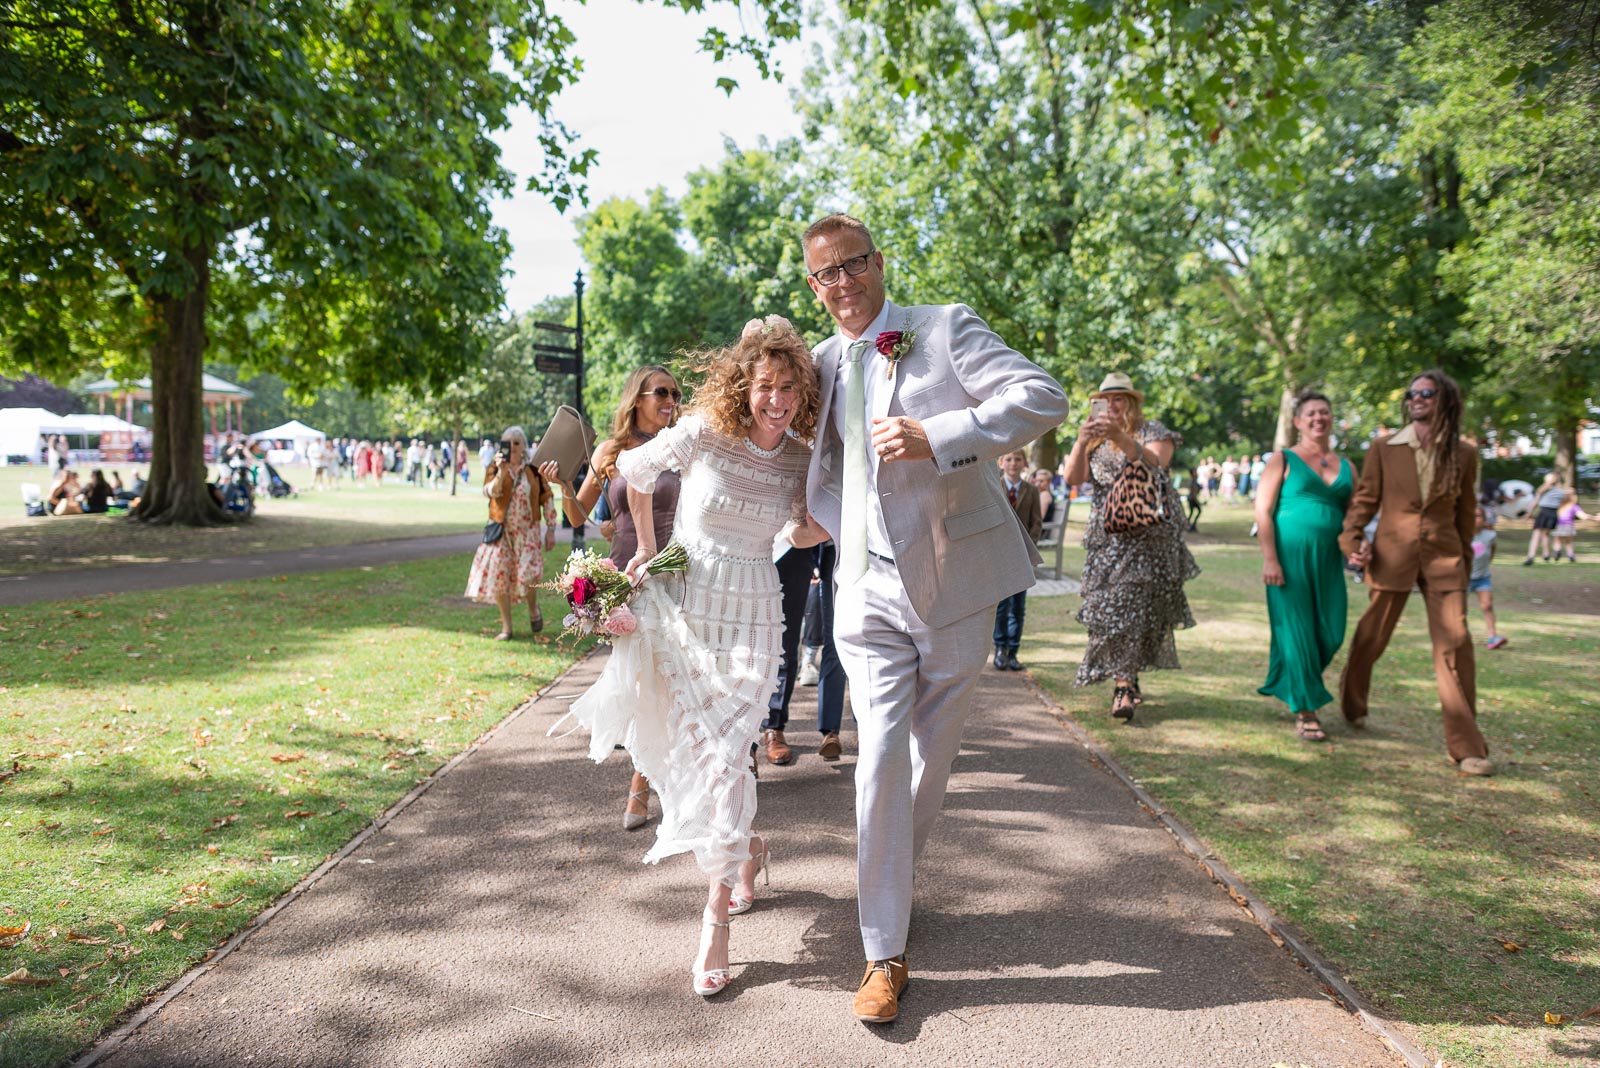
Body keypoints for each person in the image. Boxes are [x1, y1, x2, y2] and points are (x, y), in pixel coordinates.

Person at [800, 213, 1068, 1024]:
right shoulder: (817, 365)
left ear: (878, 264)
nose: (842, 284)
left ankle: (895, 881)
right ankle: (885, 949)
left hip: (953, 583)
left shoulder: (941, 330)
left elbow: (1042, 396)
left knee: (930, 762)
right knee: (878, 754)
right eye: (825, 275)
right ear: (812, 288)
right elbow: (768, 435)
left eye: (853, 266)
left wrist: (941, 434)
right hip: (863, 589)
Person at [560, 316, 826, 998]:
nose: (777, 401)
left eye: (789, 387)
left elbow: (798, 529)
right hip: (690, 602)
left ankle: (715, 918)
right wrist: (648, 547)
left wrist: (842, 517)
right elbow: (633, 470)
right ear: (745, 386)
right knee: (707, 752)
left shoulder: (800, 455)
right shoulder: (706, 431)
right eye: (766, 386)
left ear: (803, 390)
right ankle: (749, 850)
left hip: (756, 609)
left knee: (732, 746)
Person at [543, 364, 683, 832]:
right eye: (662, 392)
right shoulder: (610, 450)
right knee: (643, 682)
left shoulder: (681, 447)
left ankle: (665, 779)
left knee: (673, 679)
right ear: (637, 397)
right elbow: (580, 512)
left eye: (676, 394)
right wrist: (563, 485)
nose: (671, 401)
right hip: (627, 578)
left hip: (677, 576)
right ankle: (644, 782)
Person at [1340, 369, 1492, 775]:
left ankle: (1466, 747)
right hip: (1393, 555)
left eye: (1427, 392)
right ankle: (1352, 703)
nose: (1418, 398)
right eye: (1413, 393)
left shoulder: (1464, 452)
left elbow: (1464, 513)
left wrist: (1464, 561)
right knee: (1373, 635)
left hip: (1445, 559)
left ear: (1446, 400)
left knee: (1455, 643)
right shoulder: (1384, 447)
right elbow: (1365, 500)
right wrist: (1352, 540)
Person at [1064, 372, 1198, 720]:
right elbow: (1073, 480)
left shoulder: (1152, 431)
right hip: (1106, 537)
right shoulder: (1094, 437)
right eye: (1106, 400)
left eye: (1119, 398)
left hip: (1148, 537)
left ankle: (1123, 684)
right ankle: (1127, 678)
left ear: (1133, 402)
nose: (1112, 405)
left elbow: (1157, 465)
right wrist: (1081, 442)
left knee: (1136, 607)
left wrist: (1120, 438)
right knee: (1112, 608)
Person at [1253, 392, 1354, 742]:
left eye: (1324, 412)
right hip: (1288, 558)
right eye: (1310, 413)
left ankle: (1295, 681)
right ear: (1297, 421)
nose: (1318, 418)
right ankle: (1306, 710)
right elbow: (1263, 510)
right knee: (1297, 631)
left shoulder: (1347, 465)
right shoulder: (1282, 460)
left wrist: (1360, 547)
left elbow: (1357, 515)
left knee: (1331, 630)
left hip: (1328, 561)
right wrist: (1270, 558)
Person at [464, 427, 556, 640]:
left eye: (516, 442)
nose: (513, 447)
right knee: (499, 576)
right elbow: (490, 492)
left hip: (528, 531)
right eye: (508, 443)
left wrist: (550, 528)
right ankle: (506, 627)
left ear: (523, 445)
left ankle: (533, 608)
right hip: (501, 531)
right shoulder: (495, 468)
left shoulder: (533, 470)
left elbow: (547, 497)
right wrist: (502, 471)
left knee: (528, 575)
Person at [993, 450, 1044, 670]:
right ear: (1001, 462)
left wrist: (1028, 550)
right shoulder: (994, 487)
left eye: (1017, 459)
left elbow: (1036, 523)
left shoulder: (1031, 491)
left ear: (1024, 463)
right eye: (1009, 459)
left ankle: (1013, 651)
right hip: (1000, 556)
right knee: (1001, 606)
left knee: (1018, 606)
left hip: (1022, 556)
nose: (1013, 463)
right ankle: (999, 648)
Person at [1470, 504, 1508, 650]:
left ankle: (1492, 637)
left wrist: (1486, 566)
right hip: (1464, 579)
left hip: (1482, 577)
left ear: (1484, 519)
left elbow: (1492, 551)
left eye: (1478, 516)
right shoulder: (1462, 535)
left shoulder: (1490, 535)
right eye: (1472, 517)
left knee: (1487, 605)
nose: (1475, 520)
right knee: (1458, 610)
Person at [1524, 472, 1564, 564]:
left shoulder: (1542, 490)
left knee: (1536, 535)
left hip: (1543, 512)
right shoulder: (1560, 492)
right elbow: (1561, 503)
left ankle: (1531, 556)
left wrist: (1529, 513)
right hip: (1553, 513)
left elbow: (1535, 502)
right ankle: (1546, 555)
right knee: (1546, 534)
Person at [1552, 489, 1592, 562]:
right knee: (1568, 542)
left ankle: (1557, 551)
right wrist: (1592, 517)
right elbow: (1582, 516)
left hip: (1559, 525)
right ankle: (1570, 555)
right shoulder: (1574, 506)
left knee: (1557, 540)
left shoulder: (1560, 505)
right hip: (1569, 526)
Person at [1184, 466, 1204, 531]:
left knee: (1192, 512)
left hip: (1192, 498)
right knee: (1194, 512)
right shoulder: (1192, 481)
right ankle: (1190, 525)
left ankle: (1190, 525)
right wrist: (1196, 500)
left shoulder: (1194, 480)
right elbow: (1194, 492)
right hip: (1192, 499)